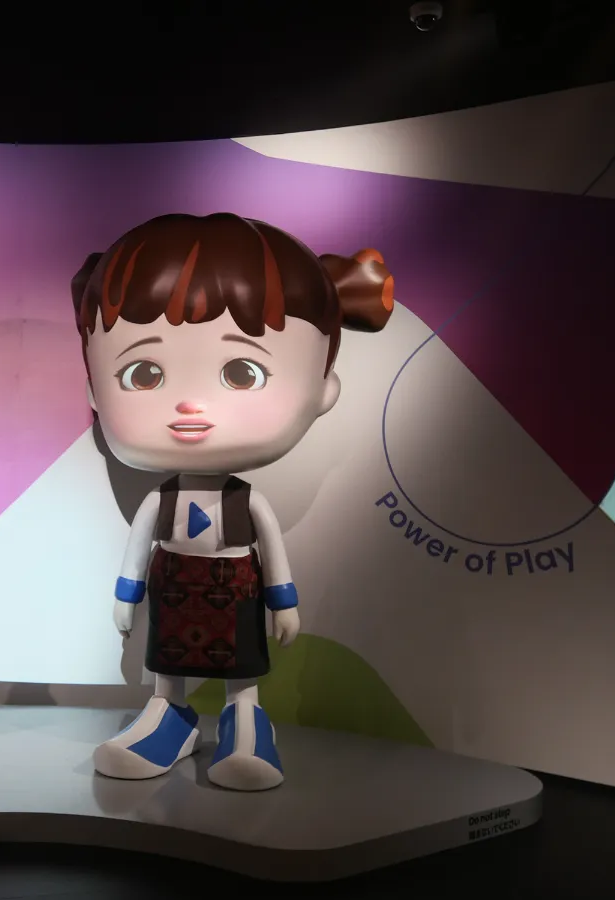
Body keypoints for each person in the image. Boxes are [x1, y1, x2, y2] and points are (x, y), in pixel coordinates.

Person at [71, 213, 394, 791]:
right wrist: (126, 595)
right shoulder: (161, 502)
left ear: (325, 388)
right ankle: (168, 715)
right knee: (167, 661)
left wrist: (284, 604)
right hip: (174, 587)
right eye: (143, 373)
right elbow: (137, 551)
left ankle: (245, 720)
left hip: (237, 589)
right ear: (95, 391)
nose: (190, 405)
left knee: (241, 664)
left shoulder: (249, 503)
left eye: (242, 372)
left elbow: (273, 555)